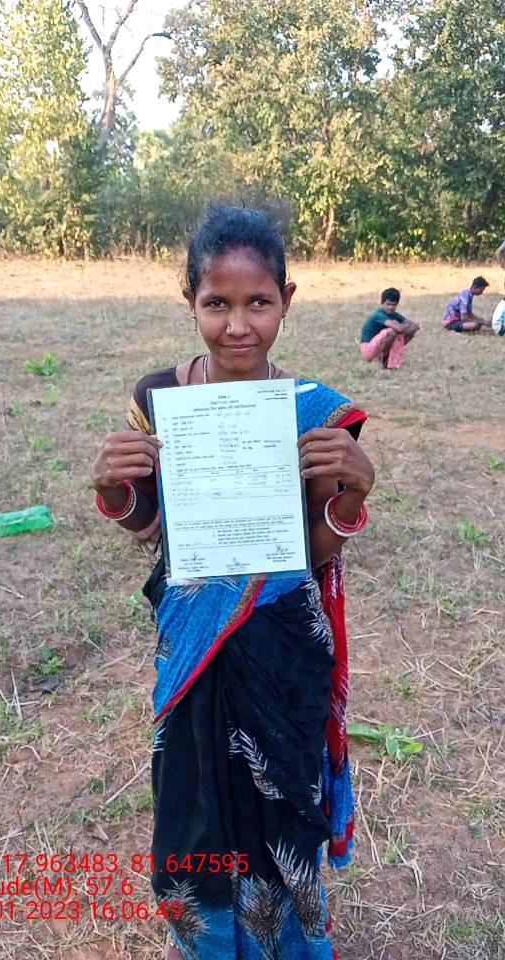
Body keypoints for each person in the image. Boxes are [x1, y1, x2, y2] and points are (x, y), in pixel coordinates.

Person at [90, 205, 375, 960]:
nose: (239, 325)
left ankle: (288, 943)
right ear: (190, 299)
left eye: (259, 302)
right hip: (193, 649)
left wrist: (350, 495)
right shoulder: (159, 400)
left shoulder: (315, 412)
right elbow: (151, 528)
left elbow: (315, 550)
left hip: (282, 648)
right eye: (217, 303)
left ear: (288, 300)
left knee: (282, 805)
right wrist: (114, 489)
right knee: (194, 804)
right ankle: (207, 943)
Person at [359, 288, 419, 368]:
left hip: (379, 346)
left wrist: (402, 327)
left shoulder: (393, 314)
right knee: (391, 331)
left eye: (394, 305)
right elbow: (398, 329)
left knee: (407, 333)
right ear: (382, 303)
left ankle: (388, 360)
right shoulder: (379, 314)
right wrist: (404, 326)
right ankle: (378, 359)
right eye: (388, 304)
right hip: (368, 349)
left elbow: (415, 326)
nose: (390, 307)